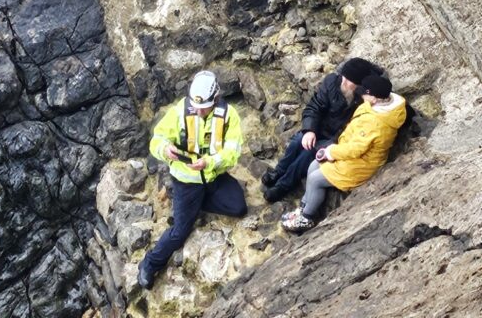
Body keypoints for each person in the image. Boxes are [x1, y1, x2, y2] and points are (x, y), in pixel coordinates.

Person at [137, 70, 247, 290]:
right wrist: (164, 149)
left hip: (213, 175)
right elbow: (157, 139)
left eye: (204, 106)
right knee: (179, 232)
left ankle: (194, 205)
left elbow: (233, 152)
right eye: (196, 106)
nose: (199, 111)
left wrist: (210, 162)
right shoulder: (180, 112)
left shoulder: (229, 116)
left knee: (239, 208)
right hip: (186, 181)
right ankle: (149, 263)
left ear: (216, 99)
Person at [281, 73, 407, 233]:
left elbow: (356, 149)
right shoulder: (380, 106)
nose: (361, 95)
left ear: (374, 98)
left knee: (315, 179)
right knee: (314, 164)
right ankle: (305, 204)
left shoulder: (376, 123)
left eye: (365, 93)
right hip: (349, 152)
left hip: (362, 163)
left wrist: (331, 152)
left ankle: (307, 217)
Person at [261, 57, 382, 203]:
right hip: (321, 127)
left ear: (359, 84)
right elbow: (315, 106)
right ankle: (278, 171)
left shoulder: (366, 98)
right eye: (344, 77)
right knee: (298, 140)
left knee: (308, 153)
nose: (344, 82)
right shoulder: (332, 81)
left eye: (350, 81)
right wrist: (310, 130)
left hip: (338, 138)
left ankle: (283, 186)